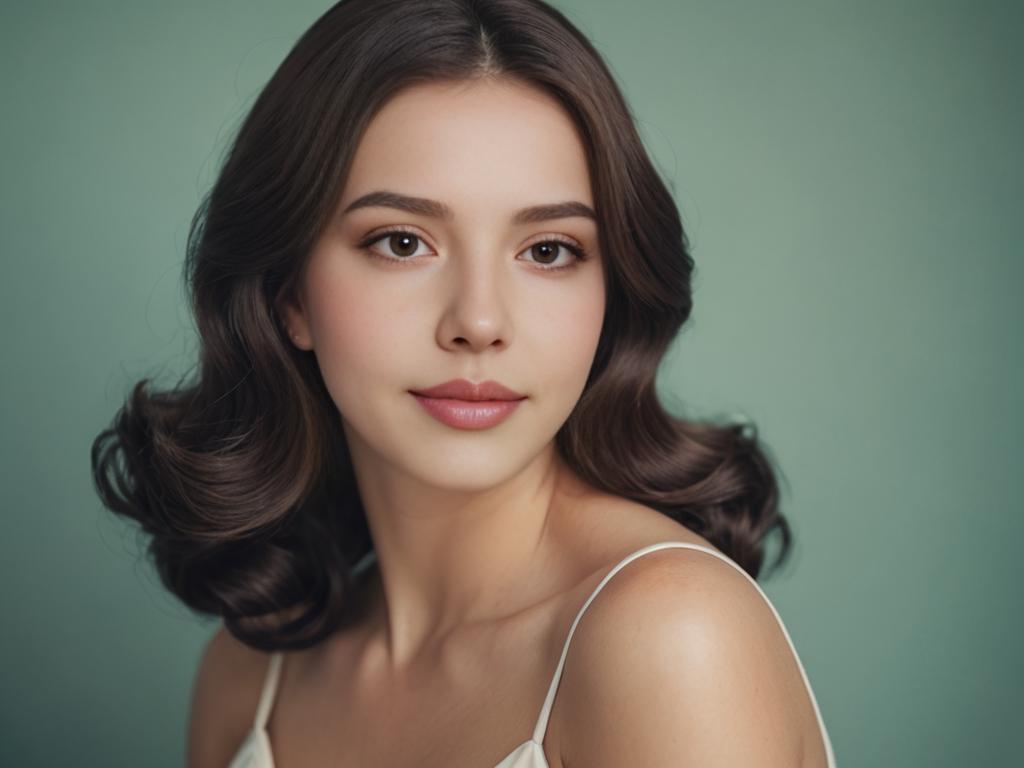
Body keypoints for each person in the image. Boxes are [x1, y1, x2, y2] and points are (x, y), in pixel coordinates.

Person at [91, 0, 837, 765]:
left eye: (548, 251)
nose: (479, 322)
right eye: (403, 241)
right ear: (288, 295)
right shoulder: (249, 674)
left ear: (611, 289)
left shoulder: (670, 637)